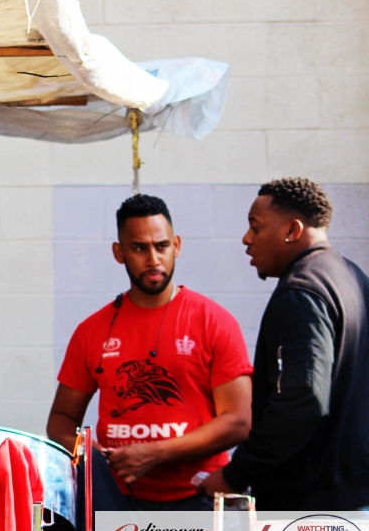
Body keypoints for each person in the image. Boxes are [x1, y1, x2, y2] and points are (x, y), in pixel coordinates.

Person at [46, 194, 253, 511]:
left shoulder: (214, 322)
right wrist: (92, 455)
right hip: (118, 501)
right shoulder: (92, 331)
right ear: (119, 252)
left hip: (200, 498)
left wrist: (155, 453)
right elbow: (61, 422)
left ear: (177, 246)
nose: (153, 258)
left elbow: (239, 421)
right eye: (139, 248)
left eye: (162, 246)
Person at [200, 178, 369, 510]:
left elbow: (301, 402)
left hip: (312, 514)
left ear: (292, 230)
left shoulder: (301, 292)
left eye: (256, 227)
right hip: (354, 498)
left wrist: (235, 474)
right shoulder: (354, 279)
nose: (246, 239)